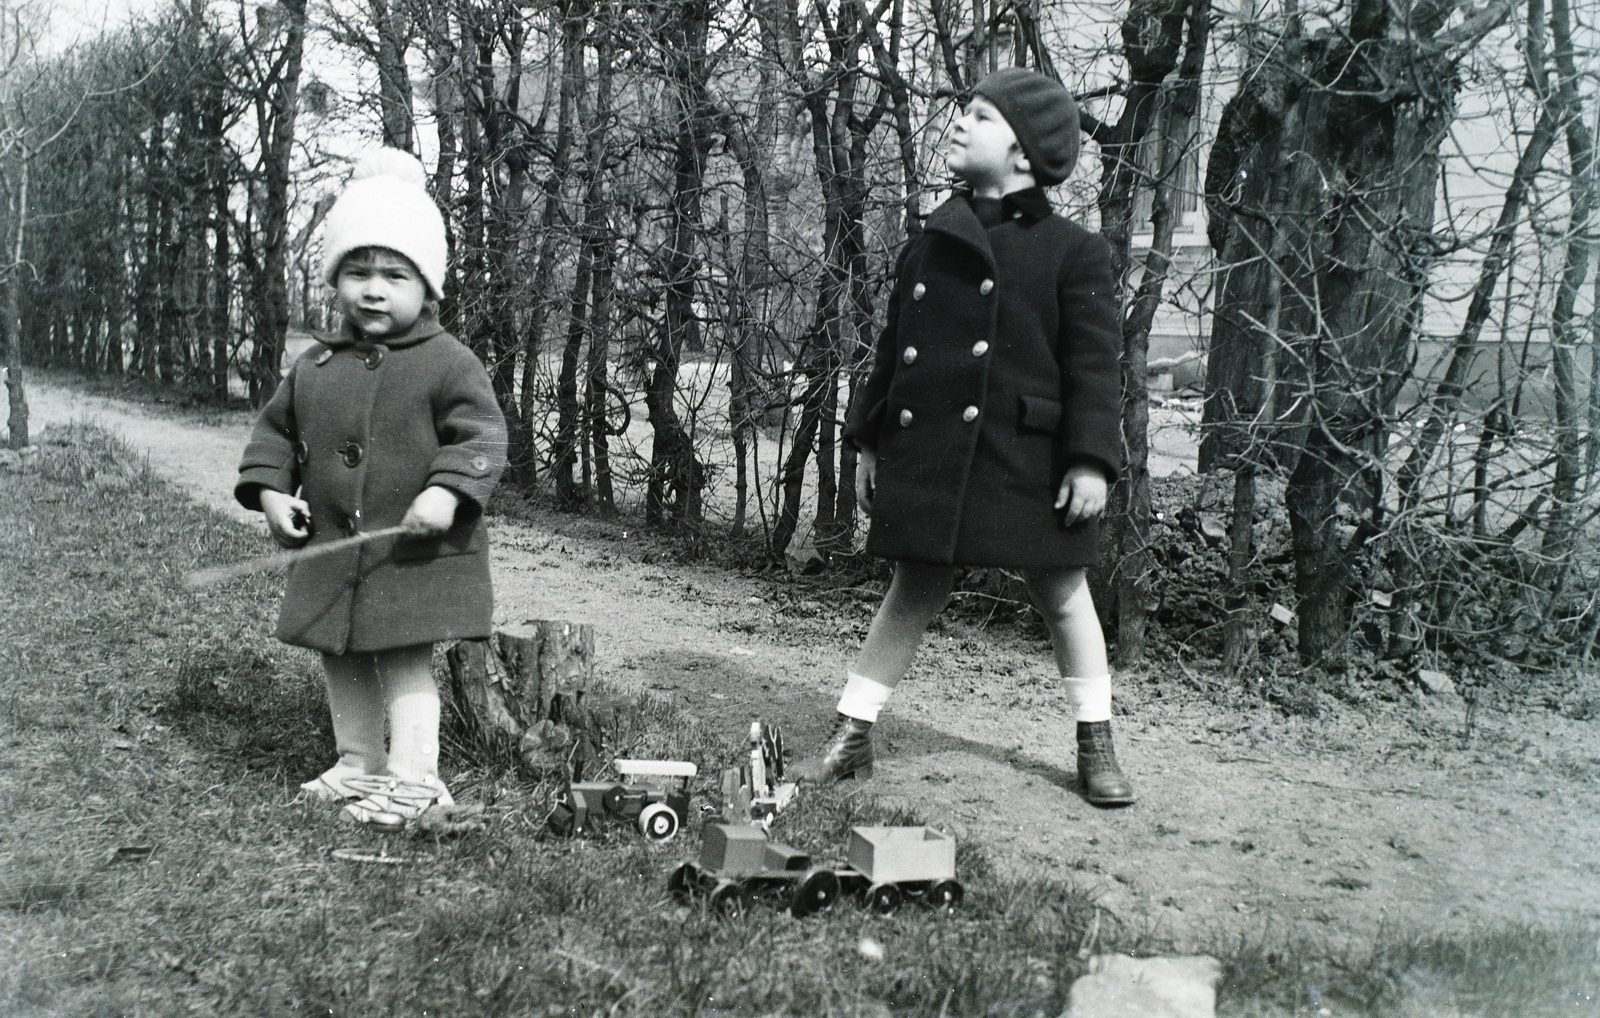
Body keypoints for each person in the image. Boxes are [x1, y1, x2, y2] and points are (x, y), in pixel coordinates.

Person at [794, 68, 1134, 806]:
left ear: (1023, 153)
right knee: (912, 587)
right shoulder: (931, 243)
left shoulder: (1073, 252)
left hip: (1028, 460)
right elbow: (893, 353)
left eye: (978, 116)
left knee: (1064, 592)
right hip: (937, 455)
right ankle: (852, 734)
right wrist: (870, 442)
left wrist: (1090, 463)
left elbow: (1095, 371)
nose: (957, 123)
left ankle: (1095, 739)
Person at [235, 149, 508, 828]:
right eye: (357, 272)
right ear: (334, 281)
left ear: (429, 285)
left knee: (406, 666)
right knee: (342, 660)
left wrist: (448, 492)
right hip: (333, 549)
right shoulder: (315, 366)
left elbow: (482, 438)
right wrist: (272, 495)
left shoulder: (448, 363)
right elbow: (275, 434)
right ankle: (359, 764)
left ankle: (415, 778)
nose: (374, 289)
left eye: (395, 274)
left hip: (411, 555)